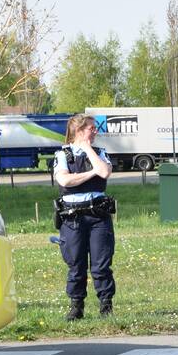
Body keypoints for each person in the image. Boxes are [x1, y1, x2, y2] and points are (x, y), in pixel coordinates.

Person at [54, 114, 115, 322]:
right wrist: (91, 173)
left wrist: (88, 149)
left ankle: (106, 306)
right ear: (79, 130)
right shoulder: (63, 154)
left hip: (98, 216)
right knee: (76, 264)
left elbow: (105, 172)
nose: (95, 131)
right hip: (73, 218)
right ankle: (76, 306)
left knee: (101, 264)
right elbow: (64, 180)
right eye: (91, 128)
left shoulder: (99, 152)